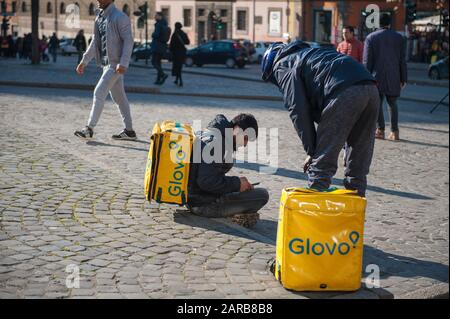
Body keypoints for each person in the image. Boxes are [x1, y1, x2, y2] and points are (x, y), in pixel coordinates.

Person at [262, 41, 379, 197]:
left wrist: (313, 152)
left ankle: (315, 215)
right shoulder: (310, 53)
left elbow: (298, 110)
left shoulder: (282, 65)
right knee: (358, 165)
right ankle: (353, 213)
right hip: (371, 88)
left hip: (343, 91)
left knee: (321, 166)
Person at [74, 0, 136, 141]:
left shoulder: (120, 17)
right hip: (106, 65)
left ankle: (89, 128)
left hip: (115, 65)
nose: (97, 0)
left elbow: (128, 40)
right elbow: (95, 41)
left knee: (99, 91)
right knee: (119, 98)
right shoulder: (99, 17)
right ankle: (130, 131)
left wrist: (123, 62)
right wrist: (84, 61)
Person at [187, 114, 269, 217]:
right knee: (262, 195)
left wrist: (239, 184)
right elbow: (206, 181)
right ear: (237, 129)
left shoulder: (213, 134)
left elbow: (209, 173)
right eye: (245, 138)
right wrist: (237, 184)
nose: (245, 144)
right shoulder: (217, 143)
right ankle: (239, 215)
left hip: (197, 197)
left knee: (249, 191)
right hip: (202, 204)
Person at [364, 13, 407, 141]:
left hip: (376, 77)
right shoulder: (399, 38)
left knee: (376, 104)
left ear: (378, 23)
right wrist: (403, 78)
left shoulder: (371, 38)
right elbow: (402, 60)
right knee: (392, 103)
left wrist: (366, 78)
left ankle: (380, 130)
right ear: (389, 23)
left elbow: (367, 61)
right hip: (394, 76)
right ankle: (395, 132)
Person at [151, 12, 170, 85]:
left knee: (154, 62)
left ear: (160, 16)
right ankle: (158, 80)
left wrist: (152, 34)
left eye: (156, 16)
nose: (155, 17)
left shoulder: (158, 25)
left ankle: (163, 74)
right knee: (158, 63)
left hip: (157, 46)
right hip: (162, 47)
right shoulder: (165, 24)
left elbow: (156, 35)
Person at [169, 22, 190, 87]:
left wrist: (171, 51)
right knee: (179, 67)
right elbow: (188, 42)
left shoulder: (175, 34)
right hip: (182, 53)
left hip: (176, 53)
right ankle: (176, 80)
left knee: (177, 67)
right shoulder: (184, 33)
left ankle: (180, 81)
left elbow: (171, 45)